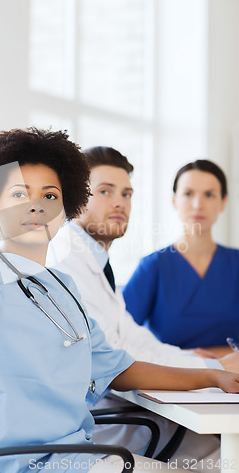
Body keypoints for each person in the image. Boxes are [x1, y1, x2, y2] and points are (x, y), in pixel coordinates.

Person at [0, 87, 239, 473]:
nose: (36, 205)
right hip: (19, 465)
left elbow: (118, 369)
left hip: (82, 458)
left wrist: (211, 375)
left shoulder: (63, 287)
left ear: (65, 209)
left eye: (50, 196)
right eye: (19, 193)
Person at [46, 146, 239, 469]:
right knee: (224, 456)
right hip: (93, 423)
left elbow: (138, 342)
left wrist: (218, 365)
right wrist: (216, 371)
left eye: (127, 193)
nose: (120, 202)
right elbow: (116, 363)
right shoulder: (66, 262)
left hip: (115, 411)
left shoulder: (95, 265)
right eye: (105, 191)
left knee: (220, 447)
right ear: (75, 197)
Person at [122, 160, 239, 350]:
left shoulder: (236, 264)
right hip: (173, 377)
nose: (197, 204)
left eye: (209, 195)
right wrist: (192, 360)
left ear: (223, 202)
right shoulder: (153, 267)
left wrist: (219, 357)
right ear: (174, 201)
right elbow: (120, 338)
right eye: (188, 193)